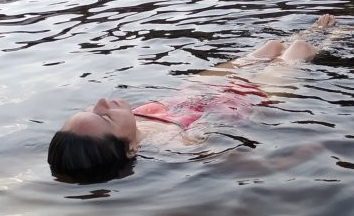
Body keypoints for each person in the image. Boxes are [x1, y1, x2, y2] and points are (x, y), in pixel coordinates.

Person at [48, 14, 338, 180]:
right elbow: (235, 163)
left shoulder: (127, 127)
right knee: (298, 49)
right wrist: (301, 155)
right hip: (248, 98)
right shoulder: (169, 144)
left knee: (270, 46)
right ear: (130, 151)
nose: (100, 102)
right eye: (104, 116)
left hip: (199, 89)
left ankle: (314, 30)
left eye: (90, 108)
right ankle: (333, 36)